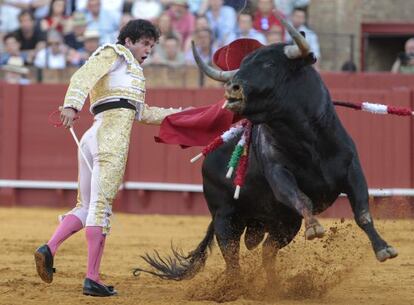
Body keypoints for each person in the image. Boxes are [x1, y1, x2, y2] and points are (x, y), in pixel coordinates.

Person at [33, 19, 182, 297]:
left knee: (87, 205)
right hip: (109, 140)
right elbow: (83, 75)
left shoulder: (133, 73)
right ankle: (92, 277)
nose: (148, 49)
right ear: (129, 41)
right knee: (100, 208)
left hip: (93, 136)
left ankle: (49, 248)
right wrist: (71, 105)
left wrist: (182, 114)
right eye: (144, 43)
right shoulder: (114, 53)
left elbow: (144, 113)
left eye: (152, 45)